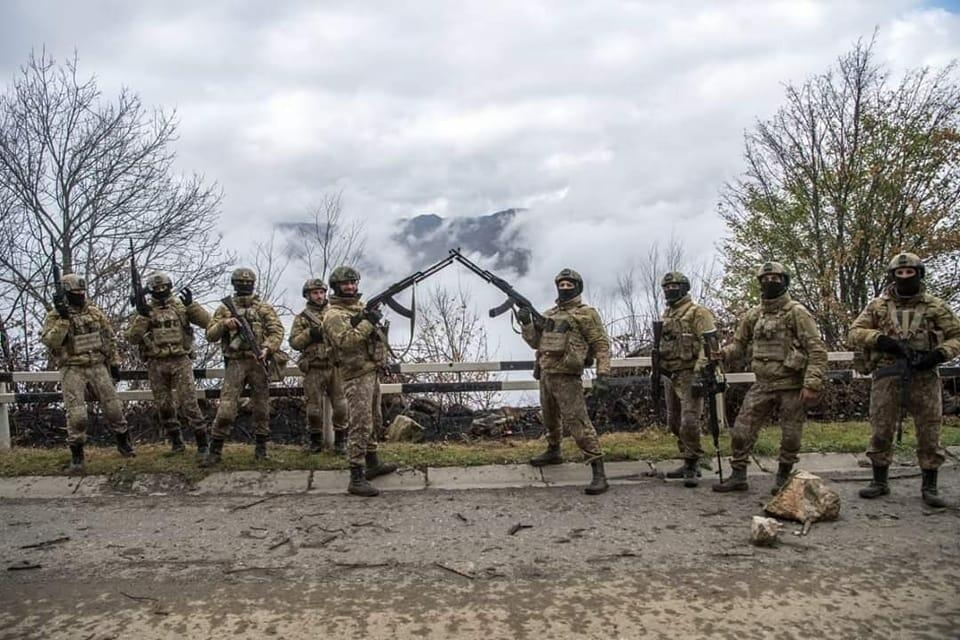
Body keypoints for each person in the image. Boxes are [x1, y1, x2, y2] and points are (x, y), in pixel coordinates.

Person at [848, 252, 960, 507]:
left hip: (924, 375)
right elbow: (854, 332)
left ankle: (929, 485)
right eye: (900, 273)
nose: (905, 277)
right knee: (880, 429)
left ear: (919, 274)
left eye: (910, 273)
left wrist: (939, 354)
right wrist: (881, 340)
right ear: (893, 276)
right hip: (887, 374)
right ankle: (879, 480)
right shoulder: (878, 305)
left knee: (930, 431)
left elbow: (957, 335)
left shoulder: (935, 306)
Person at [713, 261, 827, 494]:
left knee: (791, 436)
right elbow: (739, 345)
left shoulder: (797, 312)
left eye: (775, 278)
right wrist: (722, 354)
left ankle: (783, 477)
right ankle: (738, 475)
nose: (770, 282)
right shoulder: (754, 315)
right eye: (765, 279)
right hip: (763, 384)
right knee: (742, 430)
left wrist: (812, 383)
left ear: (784, 282)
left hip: (791, 384)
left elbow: (816, 349)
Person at [519, 268, 612, 495]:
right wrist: (526, 324)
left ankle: (598, 471)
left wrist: (603, 375)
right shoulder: (549, 314)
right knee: (550, 418)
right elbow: (535, 343)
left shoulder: (586, 314)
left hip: (567, 377)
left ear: (578, 288)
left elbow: (601, 344)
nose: (565, 288)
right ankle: (554, 450)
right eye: (562, 285)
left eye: (570, 285)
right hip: (546, 374)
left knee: (578, 422)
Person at [41, 273, 135, 470]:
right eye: (75, 292)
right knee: (77, 415)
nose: (80, 295)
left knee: (114, 408)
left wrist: (115, 362)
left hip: (97, 365)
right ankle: (77, 452)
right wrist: (64, 320)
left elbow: (108, 338)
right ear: (67, 293)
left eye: (82, 292)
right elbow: (51, 342)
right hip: (72, 367)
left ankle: (123, 441)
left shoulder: (94, 312)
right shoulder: (55, 316)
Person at [322, 266, 397, 496]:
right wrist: (368, 322)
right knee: (361, 423)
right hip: (355, 375)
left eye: (353, 283)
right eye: (346, 284)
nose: (351, 287)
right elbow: (346, 341)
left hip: (370, 370)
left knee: (374, 418)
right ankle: (356, 475)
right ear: (336, 287)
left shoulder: (359, 308)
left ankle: (373, 463)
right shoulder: (333, 315)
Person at [124, 272, 211, 459]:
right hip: (156, 362)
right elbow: (132, 337)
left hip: (180, 360)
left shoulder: (180, 307)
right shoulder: (145, 310)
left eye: (164, 288)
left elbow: (208, 323)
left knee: (189, 403)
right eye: (157, 289)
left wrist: (192, 306)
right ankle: (176, 442)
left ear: (170, 287)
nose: (161, 291)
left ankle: (203, 444)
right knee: (164, 405)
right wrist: (142, 317)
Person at [203, 268, 283, 466]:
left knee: (262, 407)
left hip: (258, 361)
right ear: (234, 284)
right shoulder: (224, 309)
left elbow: (277, 331)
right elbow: (210, 334)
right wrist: (225, 324)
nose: (245, 286)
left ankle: (261, 449)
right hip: (235, 362)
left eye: (248, 283)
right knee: (227, 408)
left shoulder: (263, 308)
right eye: (240, 282)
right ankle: (215, 450)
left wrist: (267, 348)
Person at [657, 272, 717, 488]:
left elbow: (709, 344)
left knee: (689, 421)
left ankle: (693, 463)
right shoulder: (668, 314)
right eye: (667, 286)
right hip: (670, 374)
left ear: (684, 288)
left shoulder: (698, 313)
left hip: (691, 374)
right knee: (673, 422)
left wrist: (701, 371)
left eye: (674, 286)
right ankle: (688, 456)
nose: (670, 290)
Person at [289, 278, 348, 454]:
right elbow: (294, 342)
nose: (319, 296)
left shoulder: (335, 313)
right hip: (314, 367)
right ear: (307, 295)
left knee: (341, 407)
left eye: (322, 292)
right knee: (313, 409)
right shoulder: (301, 318)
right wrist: (310, 334)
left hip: (335, 366)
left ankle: (341, 442)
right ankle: (315, 441)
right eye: (315, 293)